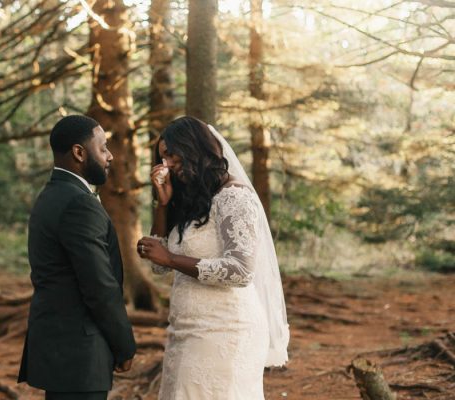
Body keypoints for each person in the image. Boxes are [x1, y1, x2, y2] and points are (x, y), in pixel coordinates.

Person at [137, 116, 289, 399]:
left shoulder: (234, 197)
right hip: (184, 330)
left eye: (171, 154)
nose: (166, 164)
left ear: (193, 147)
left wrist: (170, 258)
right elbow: (159, 268)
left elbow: (241, 270)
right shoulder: (191, 200)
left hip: (226, 330)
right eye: (162, 157)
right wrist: (163, 203)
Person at [18, 115, 136, 400]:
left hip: (59, 347)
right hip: (79, 353)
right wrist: (124, 345)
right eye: (103, 148)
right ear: (79, 152)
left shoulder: (51, 195)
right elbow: (99, 285)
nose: (110, 156)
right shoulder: (78, 203)